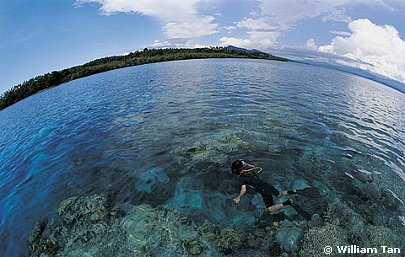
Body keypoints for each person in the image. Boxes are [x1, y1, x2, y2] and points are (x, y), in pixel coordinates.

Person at [231, 159, 296, 213]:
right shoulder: (251, 169)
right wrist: (245, 164)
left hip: (264, 192)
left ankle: (288, 202)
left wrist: (238, 197)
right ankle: (293, 191)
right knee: (279, 194)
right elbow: (246, 164)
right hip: (267, 185)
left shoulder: (242, 178)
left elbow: (244, 189)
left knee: (269, 209)